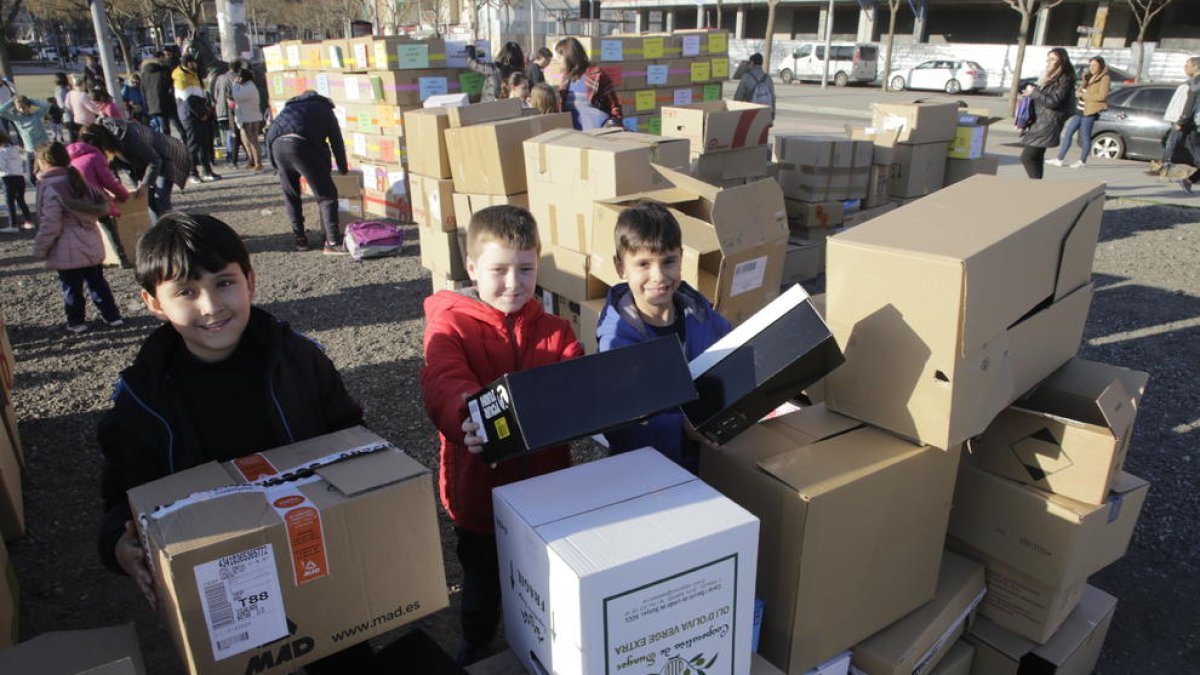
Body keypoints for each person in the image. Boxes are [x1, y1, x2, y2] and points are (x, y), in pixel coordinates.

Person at [95, 212, 373, 673]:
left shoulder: (300, 360)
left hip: (313, 548)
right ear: (154, 302)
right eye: (186, 291)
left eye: (224, 283)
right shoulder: (141, 398)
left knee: (342, 651)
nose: (210, 306)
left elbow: (350, 435)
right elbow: (120, 494)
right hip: (219, 579)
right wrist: (119, 548)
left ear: (251, 282)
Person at [420, 205, 582, 666]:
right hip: (479, 492)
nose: (513, 283)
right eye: (499, 270)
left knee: (537, 567)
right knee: (482, 573)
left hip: (543, 484)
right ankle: (476, 634)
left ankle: (539, 630)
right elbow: (443, 378)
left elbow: (575, 379)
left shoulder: (556, 331)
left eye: (526, 269)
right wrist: (465, 411)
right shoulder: (451, 324)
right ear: (471, 268)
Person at [595, 202, 731, 472]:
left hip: (712, 459)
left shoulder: (699, 312)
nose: (658, 276)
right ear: (620, 267)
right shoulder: (617, 343)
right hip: (650, 472)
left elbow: (733, 346)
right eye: (643, 264)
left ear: (681, 258)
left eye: (669, 261)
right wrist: (682, 429)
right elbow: (621, 430)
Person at [30, 141, 123, 333]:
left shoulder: (50, 186)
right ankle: (113, 316)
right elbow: (99, 201)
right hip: (90, 239)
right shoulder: (77, 178)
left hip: (67, 246)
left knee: (71, 288)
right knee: (98, 283)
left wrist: (41, 247)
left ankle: (77, 322)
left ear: (43, 161)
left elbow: (51, 223)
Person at [265, 90, 349, 253]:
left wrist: (275, 165)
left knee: (291, 195)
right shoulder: (324, 109)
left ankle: (300, 239)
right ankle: (332, 242)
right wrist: (342, 167)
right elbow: (336, 141)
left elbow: (270, 134)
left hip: (277, 146)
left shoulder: (288, 109)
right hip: (300, 146)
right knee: (326, 196)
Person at [97, 116, 192, 221]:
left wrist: (145, 184)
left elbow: (155, 160)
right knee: (148, 201)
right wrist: (119, 190)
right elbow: (115, 171)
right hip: (148, 163)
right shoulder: (106, 149)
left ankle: (174, 230)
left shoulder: (126, 137)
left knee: (161, 199)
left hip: (166, 157)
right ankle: (158, 231)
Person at [1019, 48, 1075, 180]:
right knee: (1036, 156)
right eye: (1048, 59)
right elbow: (1044, 96)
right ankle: (1038, 185)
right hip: (1040, 120)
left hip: (1047, 123)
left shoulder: (1064, 80)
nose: (1048, 62)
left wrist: (1034, 92)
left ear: (1061, 61)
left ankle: (1036, 186)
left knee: (1027, 157)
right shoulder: (1050, 77)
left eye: (1053, 59)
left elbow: (1053, 101)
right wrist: (1031, 92)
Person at [1049, 56, 1110, 169]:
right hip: (1080, 109)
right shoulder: (1088, 76)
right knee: (1068, 133)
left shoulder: (1104, 78)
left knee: (1085, 136)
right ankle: (1059, 159)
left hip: (1090, 111)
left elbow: (1102, 96)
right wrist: (1078, 91)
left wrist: (1083, 95)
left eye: (1095, 65)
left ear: (1101, 66)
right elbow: (1082, 89)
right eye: (1090, 65)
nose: (1092, 68)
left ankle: (1082, 161)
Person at [555, 36, 622, 130]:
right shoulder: (565, 80)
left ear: (569, 56)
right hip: (574, 136)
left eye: (559, 57)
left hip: (598, 135)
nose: (557, 61)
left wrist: (616, 125)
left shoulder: (596, 75)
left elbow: (613, 105)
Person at [174, 54, 219, 182]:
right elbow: (188, 100)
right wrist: (201, 114)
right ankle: (192, 172)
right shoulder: (182, 77)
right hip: (191, 116)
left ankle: (206, 170)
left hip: (199, 114)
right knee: (193, 145)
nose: (197, 65)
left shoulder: (192, 75)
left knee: (204, 144)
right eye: (195, 62)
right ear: (189, 63)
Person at [0, 95, 50, 185]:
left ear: (28, 106)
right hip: (30, 150)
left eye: (24, 107)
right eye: (19, 108)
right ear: (16, 108)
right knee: (31, 177)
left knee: (46, 173)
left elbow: (46, 105)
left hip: (43, 148)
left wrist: (31, 100)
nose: (22, 110)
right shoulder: (17, 118)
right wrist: (12, 101)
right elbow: (1, 111)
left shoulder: (36, 115)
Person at [140, 50, 182, 138]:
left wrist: (147, 106)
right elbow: (172, 85)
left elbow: (143, 91)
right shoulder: (164, 71)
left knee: (164, 128)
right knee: (179, 126)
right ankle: (187, 145)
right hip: (167, 103)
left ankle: (168, 147)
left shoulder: (144, 74)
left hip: (153, 106)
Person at [211, 60, 243, 168]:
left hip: (220, 110)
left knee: (226, 134)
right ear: (238, 68)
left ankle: (230, 155)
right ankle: (231, 156)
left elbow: (215, 95)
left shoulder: (220, 78)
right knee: (232, 134)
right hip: (231, 110)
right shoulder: (237, 78)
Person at [230, 68, 264, 170]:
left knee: (253, 141)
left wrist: (234, 85)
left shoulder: (249, 87)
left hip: (251, 118)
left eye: (239, 77)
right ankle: (251, 160)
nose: (237, 79)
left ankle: (258, 162)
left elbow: (236, 96)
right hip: (244, 118)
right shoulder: (244, 86)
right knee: (246, 141)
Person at [1176, 57, 1200, 193]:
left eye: (1188, 65)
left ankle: (1189, 180)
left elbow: (1190, 103)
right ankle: (1189, 180)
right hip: (1195, 125)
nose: (1185, 68)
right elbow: (1190, 104)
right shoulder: (1195, 82)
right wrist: (1183, 120)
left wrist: (1183, 120)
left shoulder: (1196, 82)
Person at [0, 131, 32, 230]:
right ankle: (28, 221)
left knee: (9, 202)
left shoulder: (1, 152)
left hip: (8, 178)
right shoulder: (13, 149)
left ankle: (13, 225)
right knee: (21, 200)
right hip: (20, 177)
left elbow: (1, 166)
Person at [733, 52, 776, 120]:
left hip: (750, 113)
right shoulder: (768, 78)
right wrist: (772, 115)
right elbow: (772, 98)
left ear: (752, 63)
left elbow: (738, 97)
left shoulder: (746, 77)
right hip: (765, 114)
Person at [65, 74, 99, 140]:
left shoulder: (70, 93)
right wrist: (100, 111)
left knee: (80, 137)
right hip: (87, 121)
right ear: (83, 84)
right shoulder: (83, 95)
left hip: (77, 119)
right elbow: (92, 108)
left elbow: (67, 106)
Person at [53, 72, 73, 141]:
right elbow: (62, 104)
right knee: (72, 133)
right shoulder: (60, 90)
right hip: (68, 115)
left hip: (70, 114)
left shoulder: (64, 88)